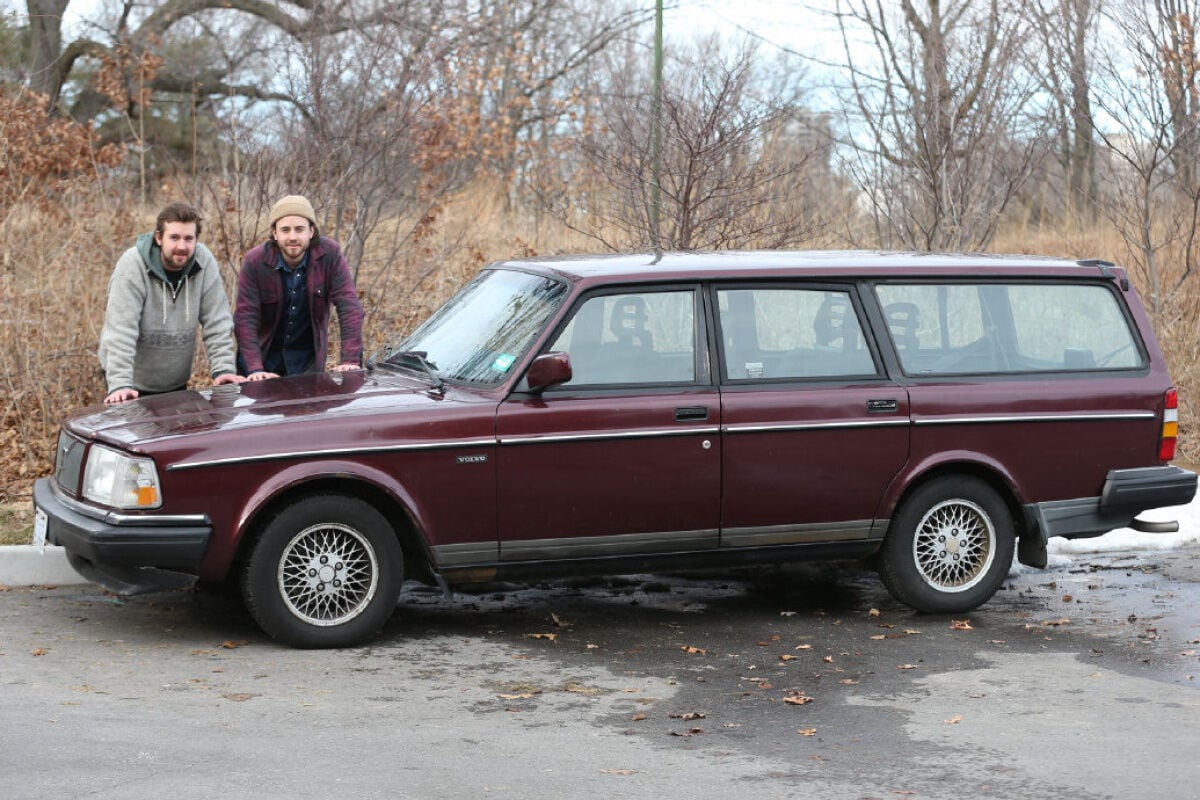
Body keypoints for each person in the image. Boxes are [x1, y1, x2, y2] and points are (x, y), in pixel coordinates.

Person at [98, 202, 242, 404]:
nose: (182, 246)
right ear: (158, 237)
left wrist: (224, 369)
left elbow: (217, 321)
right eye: (174, 237)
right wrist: (120, 384)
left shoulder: (203, 262)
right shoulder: (132, 265)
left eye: (188, 238)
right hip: (131, 386)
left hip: (175, 382)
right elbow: (121, 330)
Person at [234, 195, 364, 380]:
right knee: (260, 407)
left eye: (299, 229)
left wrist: (350, 360)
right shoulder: (255, 261)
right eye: (285, 230)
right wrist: (255, 369)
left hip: (307, 361)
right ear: (274, 233)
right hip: (263, 358)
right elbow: (245, 317)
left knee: (310, 408)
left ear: (311, 231)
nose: (292, 237)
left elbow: (349, 307)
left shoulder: (329, 255)